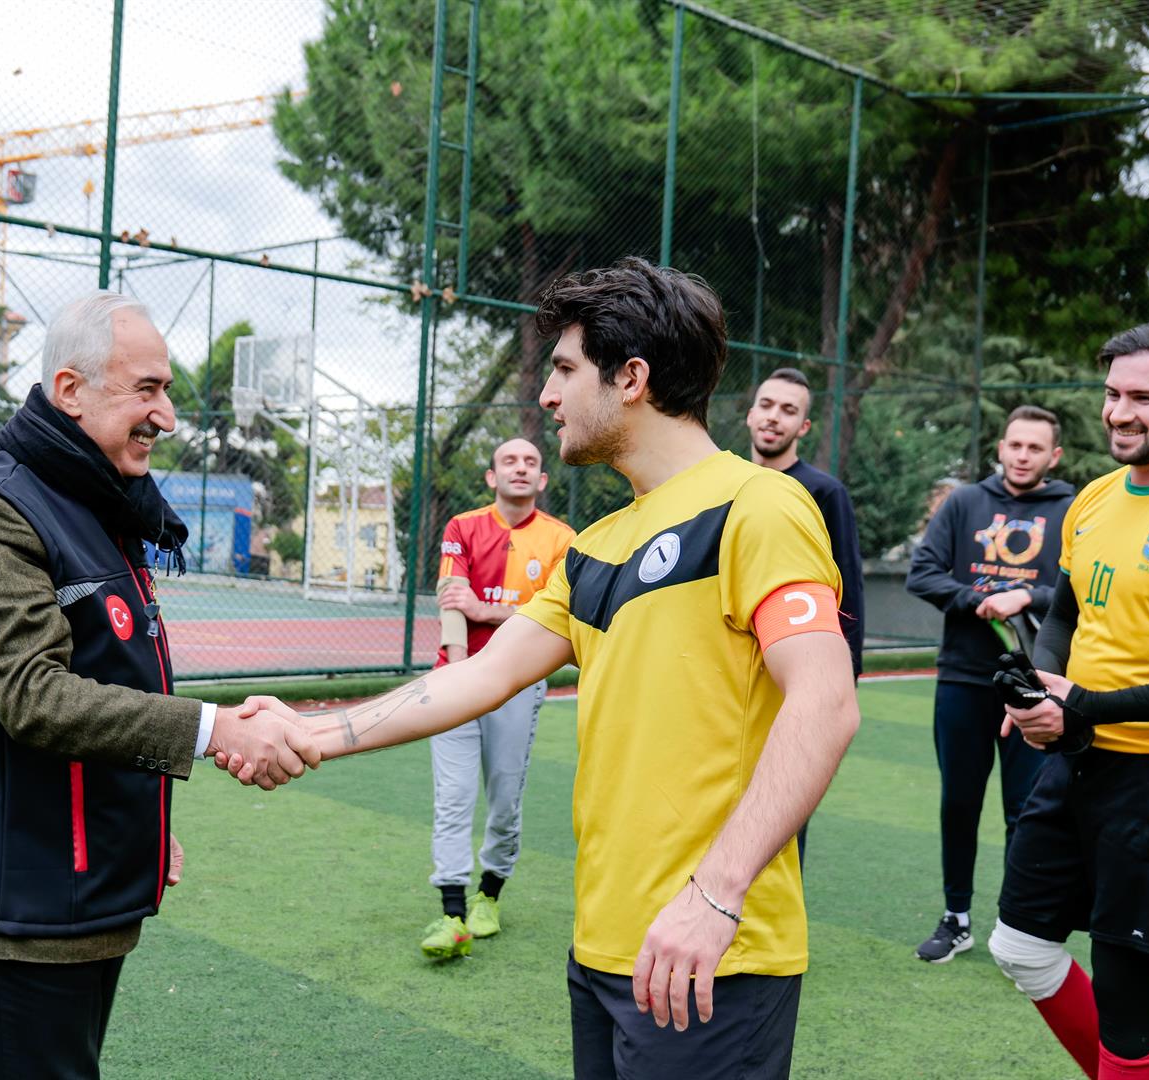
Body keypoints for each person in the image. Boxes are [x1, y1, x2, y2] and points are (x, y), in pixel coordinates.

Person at [222, 257, 860, 1078]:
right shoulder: (594, 547)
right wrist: (311, 730)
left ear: (631, 378)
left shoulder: (759, 508)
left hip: (711, 954)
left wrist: (715, 895)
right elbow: (478, 677)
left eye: (564, 370)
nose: (548, 396)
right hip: (605, 944)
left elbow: (826, 702)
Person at [0, 291, 319, 1080]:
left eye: (166, 390)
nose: (167, 415)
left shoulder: (94, 501)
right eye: (148, 389)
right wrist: (217, 730)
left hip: (86, 878)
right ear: (71, 390)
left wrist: (139, 821)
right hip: (35, 894)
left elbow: (107, 679)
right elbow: (34, 696)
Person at [991, 322, 1149, 1079]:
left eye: (1144, 398)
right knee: (1021, 948)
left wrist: (1084, 705)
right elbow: (1063, 614)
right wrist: (1040, 686)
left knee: (1129, 1008)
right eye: (1112, 394)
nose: (1120, 412)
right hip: (1076, 763)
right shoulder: (1094, 498)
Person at [905, 405, 1073, 963]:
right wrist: (977, 599)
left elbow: (1080, 591)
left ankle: (1015, 927)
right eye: (1014, 445)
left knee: (1025, 809)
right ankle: (956, 919)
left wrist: (1028, 596)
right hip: (962, 678)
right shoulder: (965, 503)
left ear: (1055, 456)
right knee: (960, 802)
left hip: (1033, 684)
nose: (1022, 455)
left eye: (1035, 448)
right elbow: (922, 571)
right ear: (1000, 448)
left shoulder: (1070, 510)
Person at [424, 437, 574, 959]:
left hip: (518, 682)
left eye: (531, 462)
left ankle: (489, 895)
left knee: (505, 800)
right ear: (492, 477)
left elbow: (557, 622)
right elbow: (451, 603)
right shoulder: (462, 527)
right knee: (453, 798)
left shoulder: (562, 539)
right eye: (509, 461)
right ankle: (452, 912)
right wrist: (461, 672)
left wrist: (486, 611)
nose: (520, 468)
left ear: (542, 481)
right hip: (456, 679)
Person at [745, 366, 865, 675]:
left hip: (797, 656)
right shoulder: (728, 485)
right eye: (766, 405)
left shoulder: (825, 492)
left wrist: (848, 672)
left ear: (804, 426)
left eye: (788, 410)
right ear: (751, 415)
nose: (773, 417)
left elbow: (848, 587)